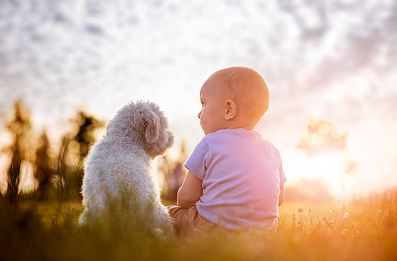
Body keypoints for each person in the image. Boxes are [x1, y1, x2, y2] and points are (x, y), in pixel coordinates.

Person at [169, 66, 286, 236]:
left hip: (210, 228)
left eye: (204, 104)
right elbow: (279, 200)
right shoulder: (273, 151)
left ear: (229, 110)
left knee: (166, 215)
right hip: (261, 234)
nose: (199, 114)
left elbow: (186, 198)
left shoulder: (209, 143)